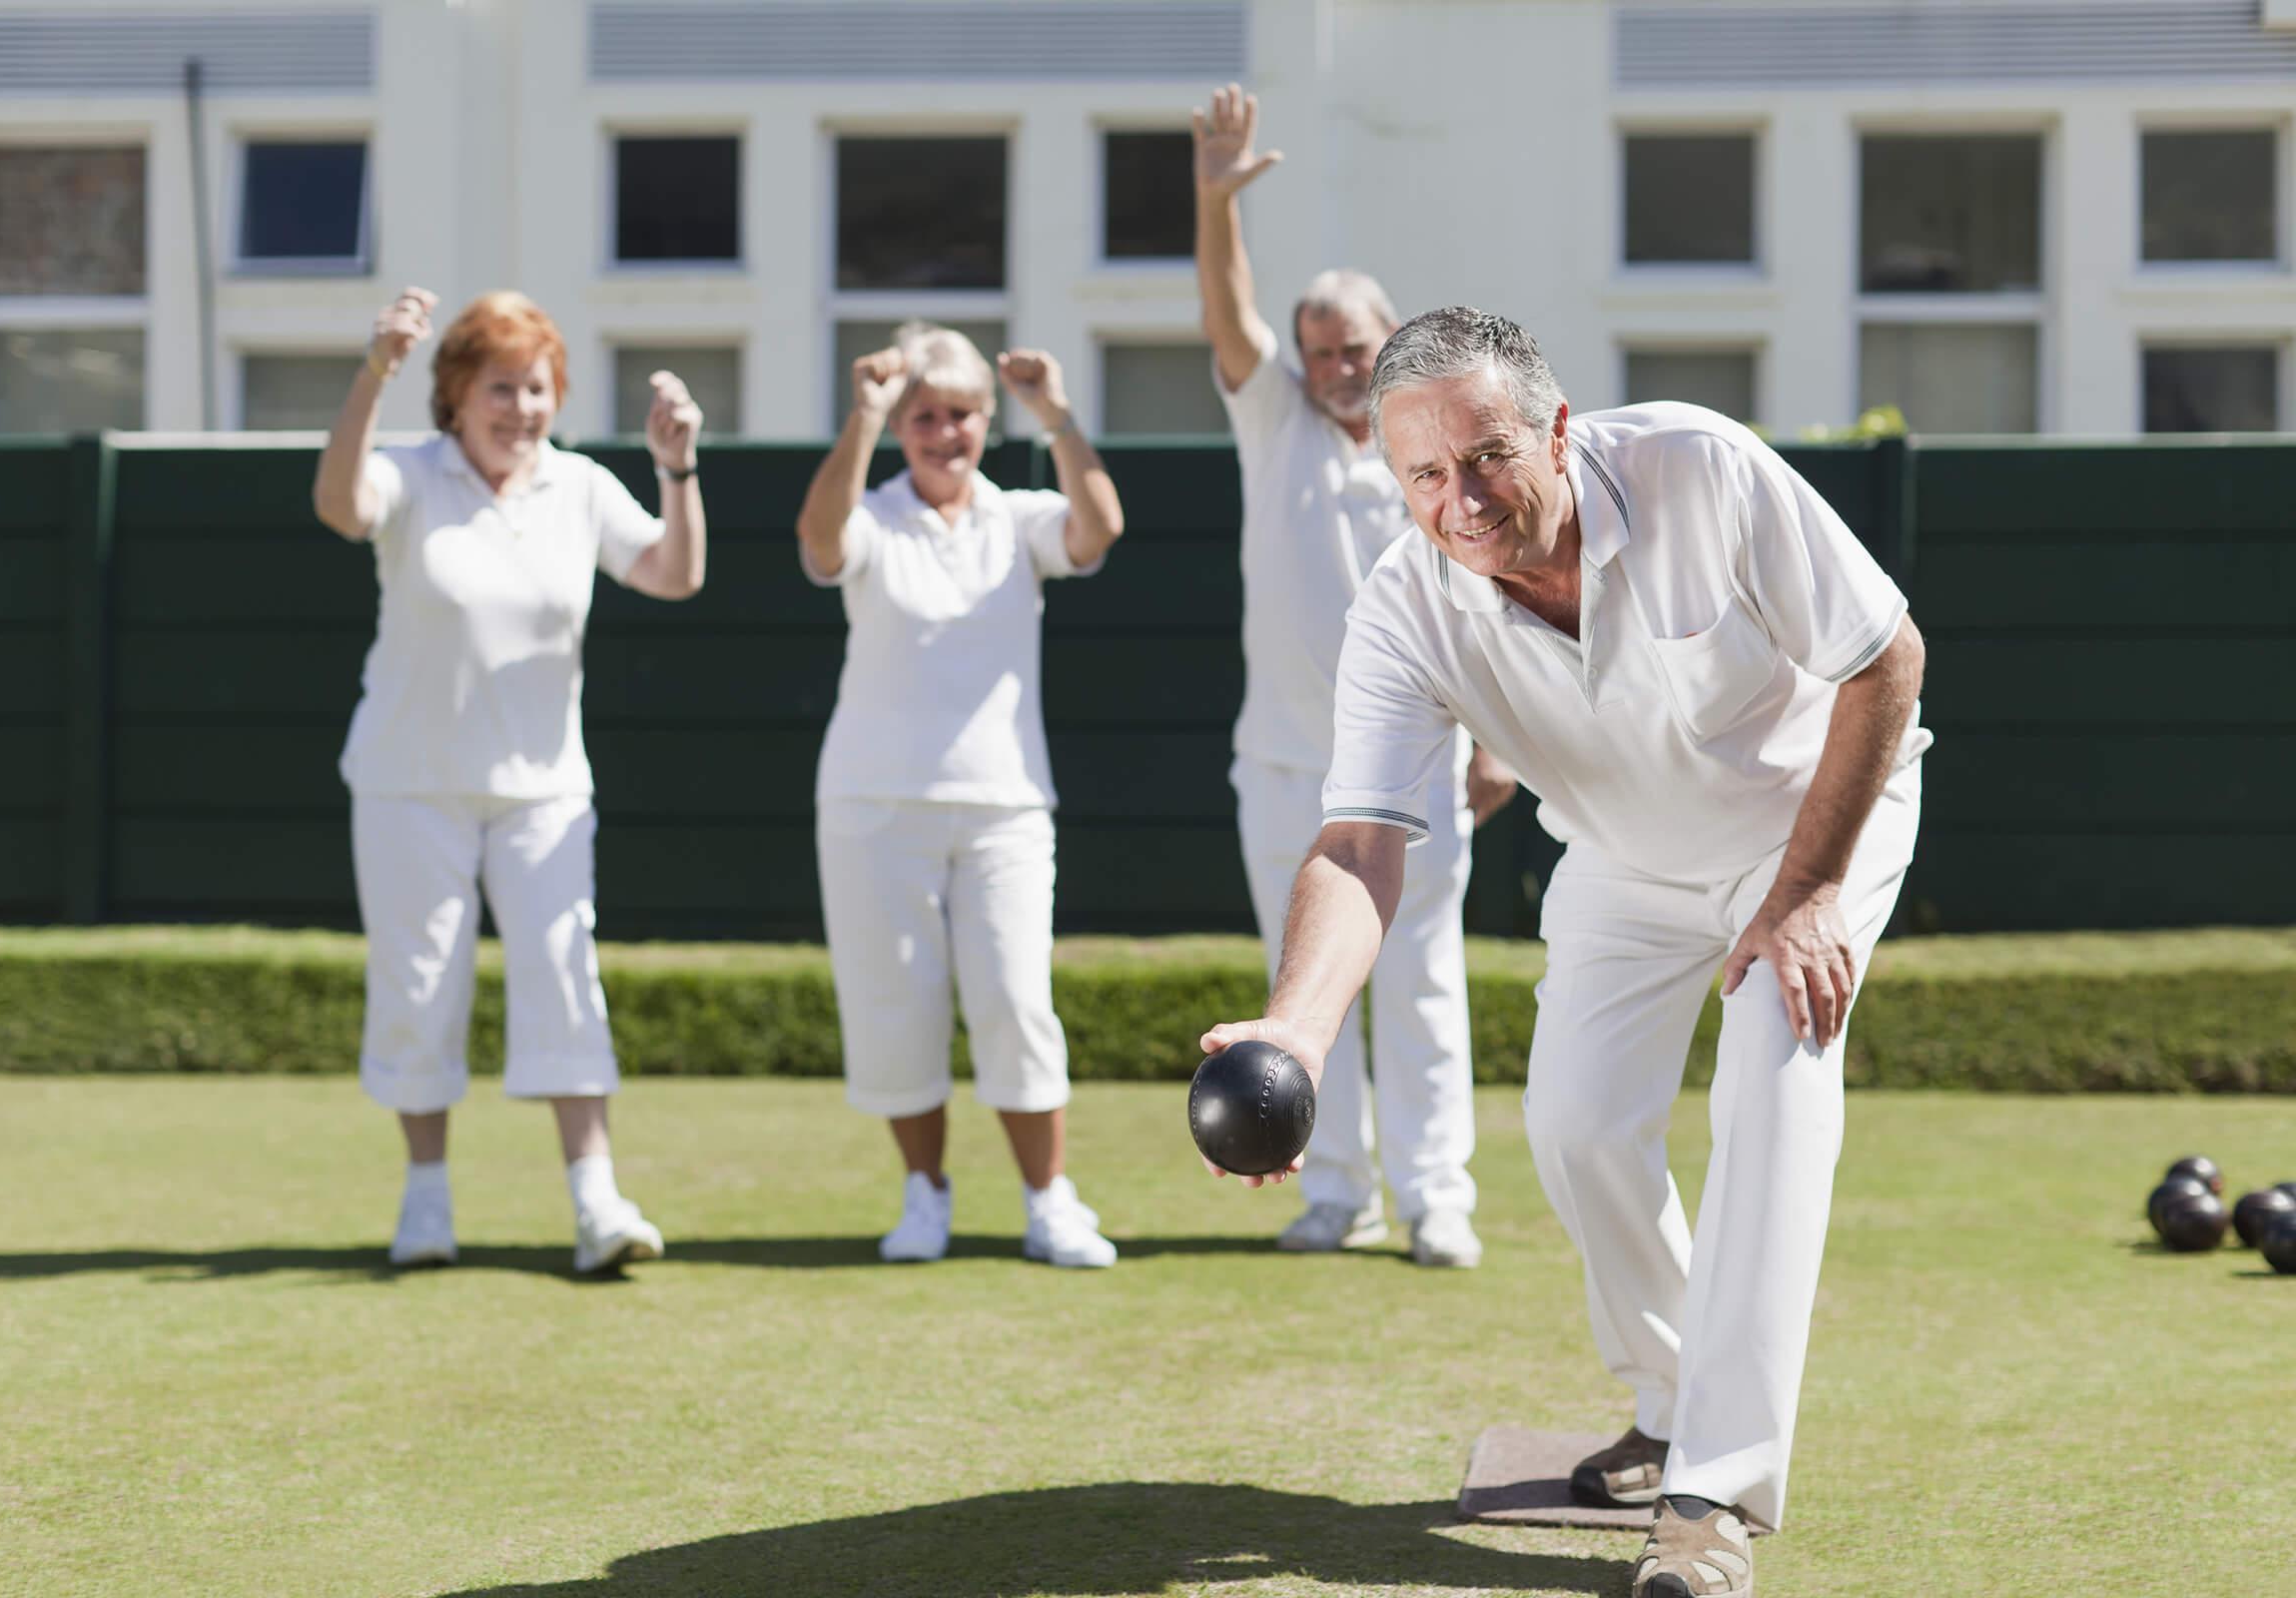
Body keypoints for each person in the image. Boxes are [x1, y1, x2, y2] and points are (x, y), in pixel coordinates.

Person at [1198, 308, 1930, 1598]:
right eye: (1422, 474)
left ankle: (1714, 1498)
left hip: (1812, 823)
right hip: (1624, 857)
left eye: (1484, 458)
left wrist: (1808, 892)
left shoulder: (1701, 468)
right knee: (1576, 1124)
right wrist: (1293, 1037)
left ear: (1556, 428)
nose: (1458, 499)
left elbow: (1885, 660)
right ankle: (1668, 1399)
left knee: (1776, 1072)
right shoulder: (1403, 609)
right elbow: (1362, 843)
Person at [312, 287, 709, 1274]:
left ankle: (596, 1204)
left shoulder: (577, 488)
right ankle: (427, 1205)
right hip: (410, 785)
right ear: (455, 395)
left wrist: (677, 470)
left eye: (536, 388)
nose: (520, 408)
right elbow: (337, 505)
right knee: (417, 989)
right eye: (500, 388)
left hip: (543, 791)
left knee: (566, 977)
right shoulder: (408, 475)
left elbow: (673, 573)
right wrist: (375, 369)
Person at [1191, 84, 1514, 1267]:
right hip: (1282, 765)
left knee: (1423, 988)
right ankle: (1336, 1193)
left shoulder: (1430, 450)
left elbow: (1492, 599)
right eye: (1320, 348)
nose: (1335, 366)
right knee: (1301, 990)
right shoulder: (1270, 420)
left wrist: (1500, 743)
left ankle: (1440, 1200)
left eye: (1356, 349)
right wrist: (1214, 198)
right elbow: (1227, 311)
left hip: (1418, 771)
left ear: (1391, 351)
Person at [795, 323, 1126, 1268]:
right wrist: (860, 417)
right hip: (872, 808)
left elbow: (1098, 525)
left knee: (1018, 1001)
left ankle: (1049, 1201)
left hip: (1005, 807)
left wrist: (1056, 412)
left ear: (989, 420)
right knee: (893, 1008)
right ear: (902, 425)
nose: (946, 434)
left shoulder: (1020, 519)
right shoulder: (874, 515)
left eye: (963, 416)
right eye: (926, 417)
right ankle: (923, 1197)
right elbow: (820, 539)